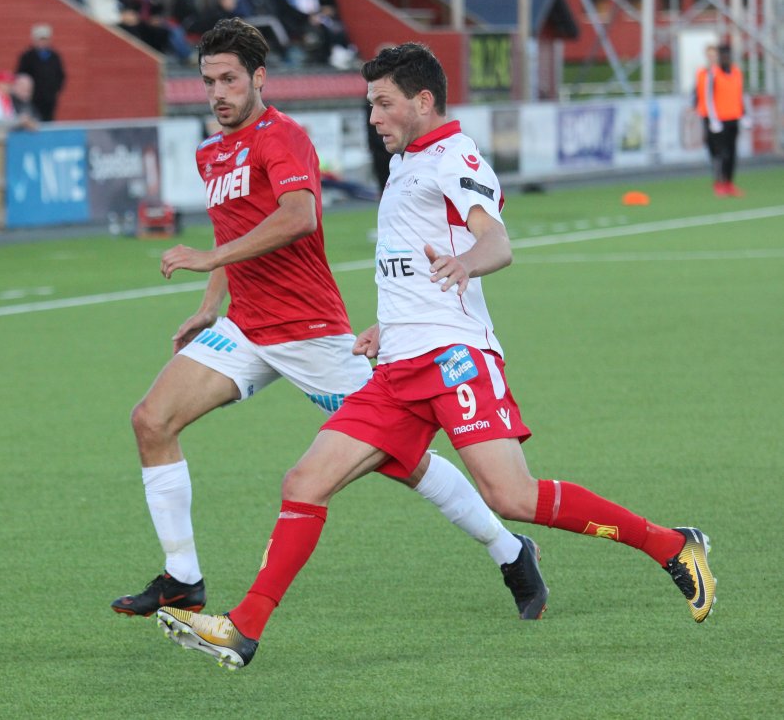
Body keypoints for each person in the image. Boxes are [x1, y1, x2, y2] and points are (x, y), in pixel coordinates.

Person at [154, 42, 717, 670]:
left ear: (423, 101)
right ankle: (243, 628)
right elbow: (412, 263)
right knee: (304, 482)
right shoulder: (407, 162)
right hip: (398, 365)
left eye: (383, 104)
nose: (373, 117)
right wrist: (385, 326)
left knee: (513, 497)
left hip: (454, 359)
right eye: (370, 105)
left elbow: (496, 242)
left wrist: (466, 263)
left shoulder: (455, 156)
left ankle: (670, 545)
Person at [111, 21, 547, 623]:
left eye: (230, 80)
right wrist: (211, 305)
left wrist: (209, 259)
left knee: (404, 460)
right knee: (151, 419)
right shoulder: (211, 153)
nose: (218, 93)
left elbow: (300, 217)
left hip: (309, 329)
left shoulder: (284, 137)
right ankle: (183, 577)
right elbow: (235, 232)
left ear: (259, 78)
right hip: (245, 327)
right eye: (208, 81)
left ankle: (509, 549)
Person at [695, 43, 746, 197]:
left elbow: (740, 94)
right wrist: (713, 119)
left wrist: (744, 114)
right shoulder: (709, 73)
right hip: (716, 119)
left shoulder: (736, 72)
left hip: (733, 117)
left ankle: (729, 182)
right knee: (718, 152)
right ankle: (719, 182)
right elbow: (707, 97)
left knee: (732, 152)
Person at [15, 24, 66, 122]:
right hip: (32, 99)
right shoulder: (27, 56)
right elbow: (21, 76)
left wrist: (55, 90)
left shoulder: (54, 56)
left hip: (49, 98)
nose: (42, 42)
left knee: (48, 121)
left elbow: (61, 75)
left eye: (45, 39)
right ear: (34, 40)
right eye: (40, 39)